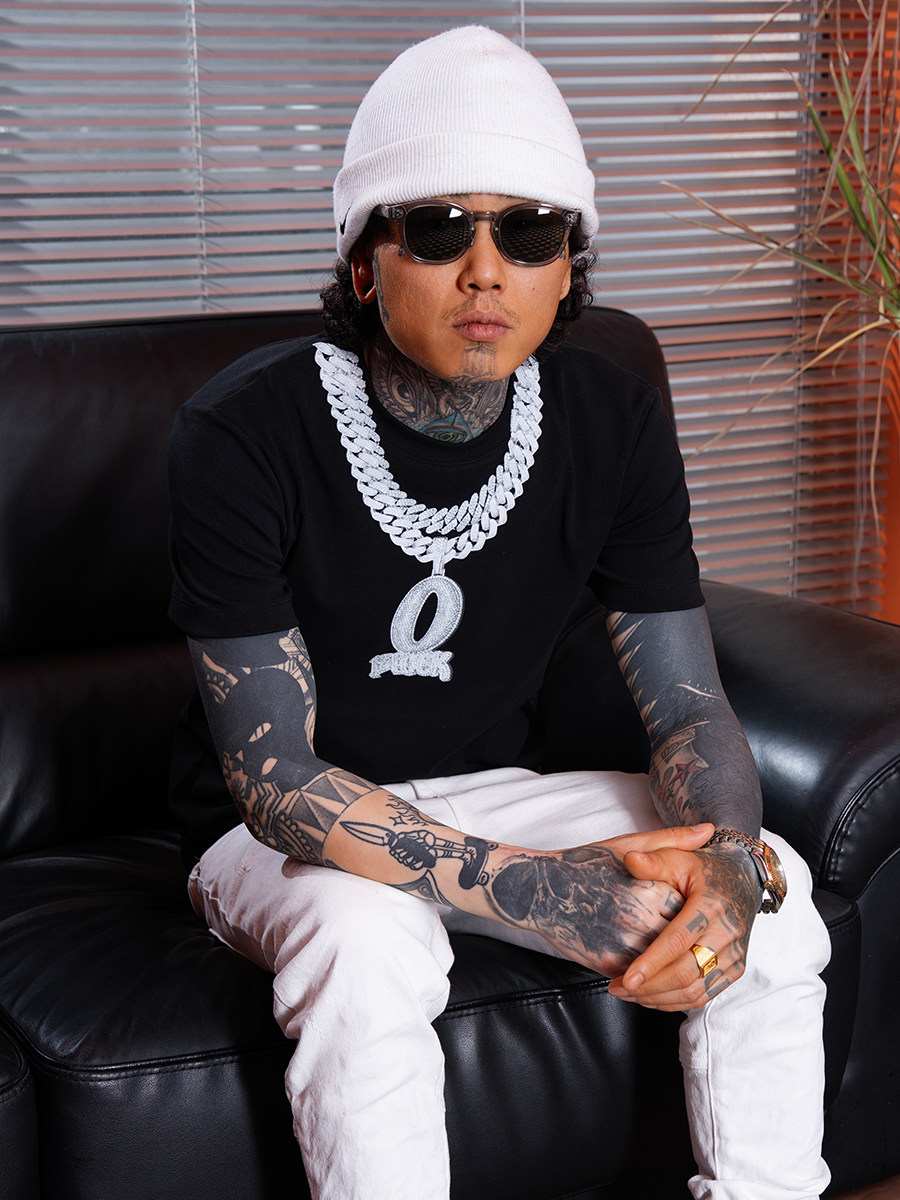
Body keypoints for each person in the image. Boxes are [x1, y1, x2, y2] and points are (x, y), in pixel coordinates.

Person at [167, 24, 831, 1200]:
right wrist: (537, 890)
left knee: (766, 892)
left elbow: (686, 708)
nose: (486, 271)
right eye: (438, 227)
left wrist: (727, 863)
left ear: (567, 266)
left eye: (528, 232)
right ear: (366, 261)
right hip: (283, 833)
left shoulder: (612, 417)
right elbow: (274, 780)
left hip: (500, 786)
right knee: (367, 945)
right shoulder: (244, 430)